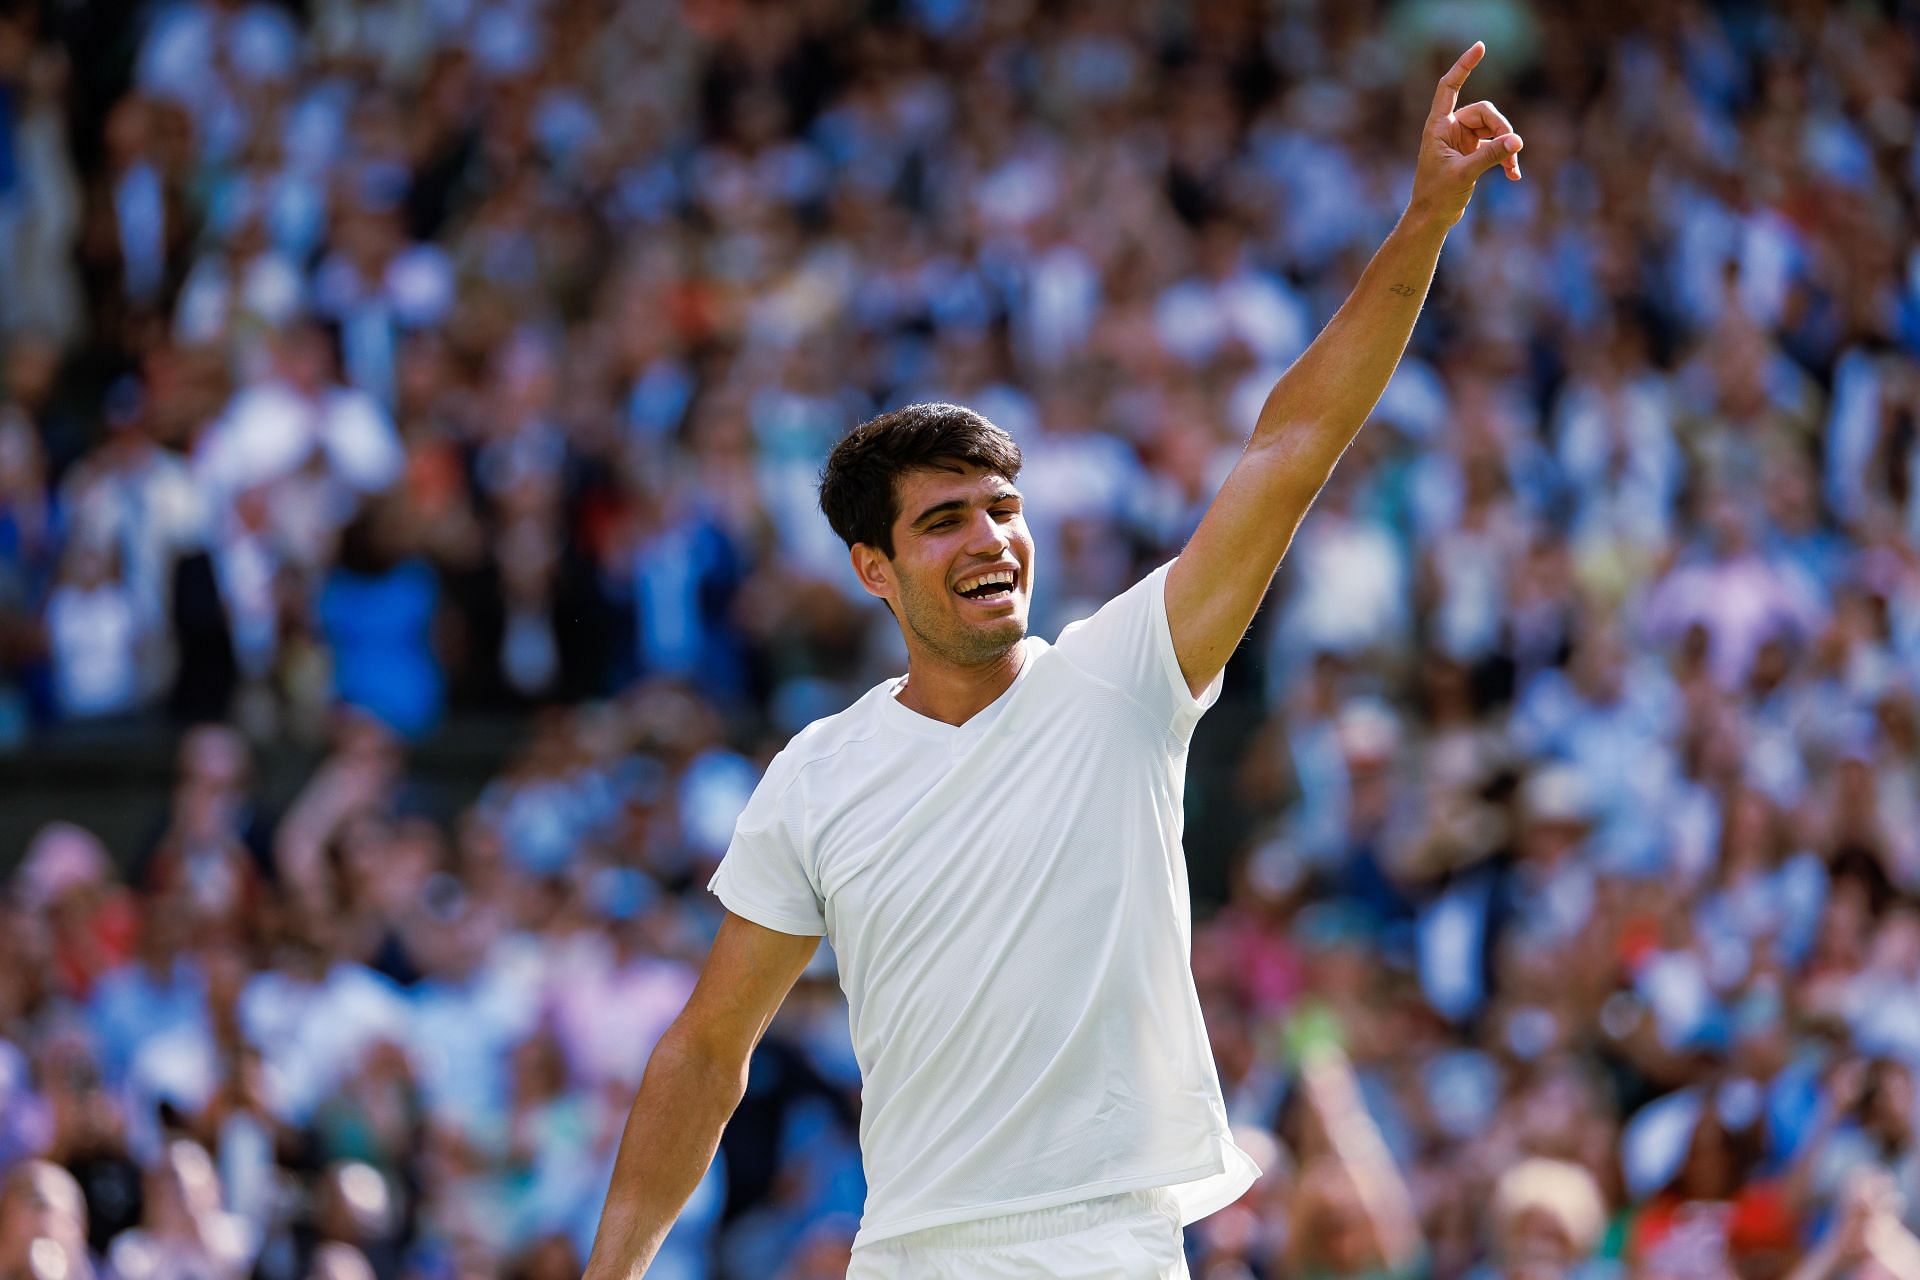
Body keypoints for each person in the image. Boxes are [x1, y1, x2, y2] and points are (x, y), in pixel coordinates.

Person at [581, 42, 1526, 1280]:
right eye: (944, 519)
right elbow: (707, 1052)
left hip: (1109, 1247)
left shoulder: (1127, 673)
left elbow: (1293, 442)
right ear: (875, 568)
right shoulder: (816, 774)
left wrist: (1422, 224)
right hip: (907, 1252)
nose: (991, 537)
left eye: (1002, 507)